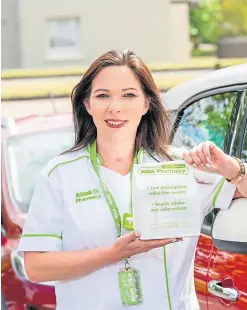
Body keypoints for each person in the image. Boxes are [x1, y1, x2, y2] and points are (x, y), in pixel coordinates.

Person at [18, 49, 247, 310]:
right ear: (87, 104)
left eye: (129, 95)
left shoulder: (180, 167)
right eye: (103, 95)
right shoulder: (60, 173)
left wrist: (231, 168)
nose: (115, 107)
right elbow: (36, 267)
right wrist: (113, 254)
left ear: (147, 103)